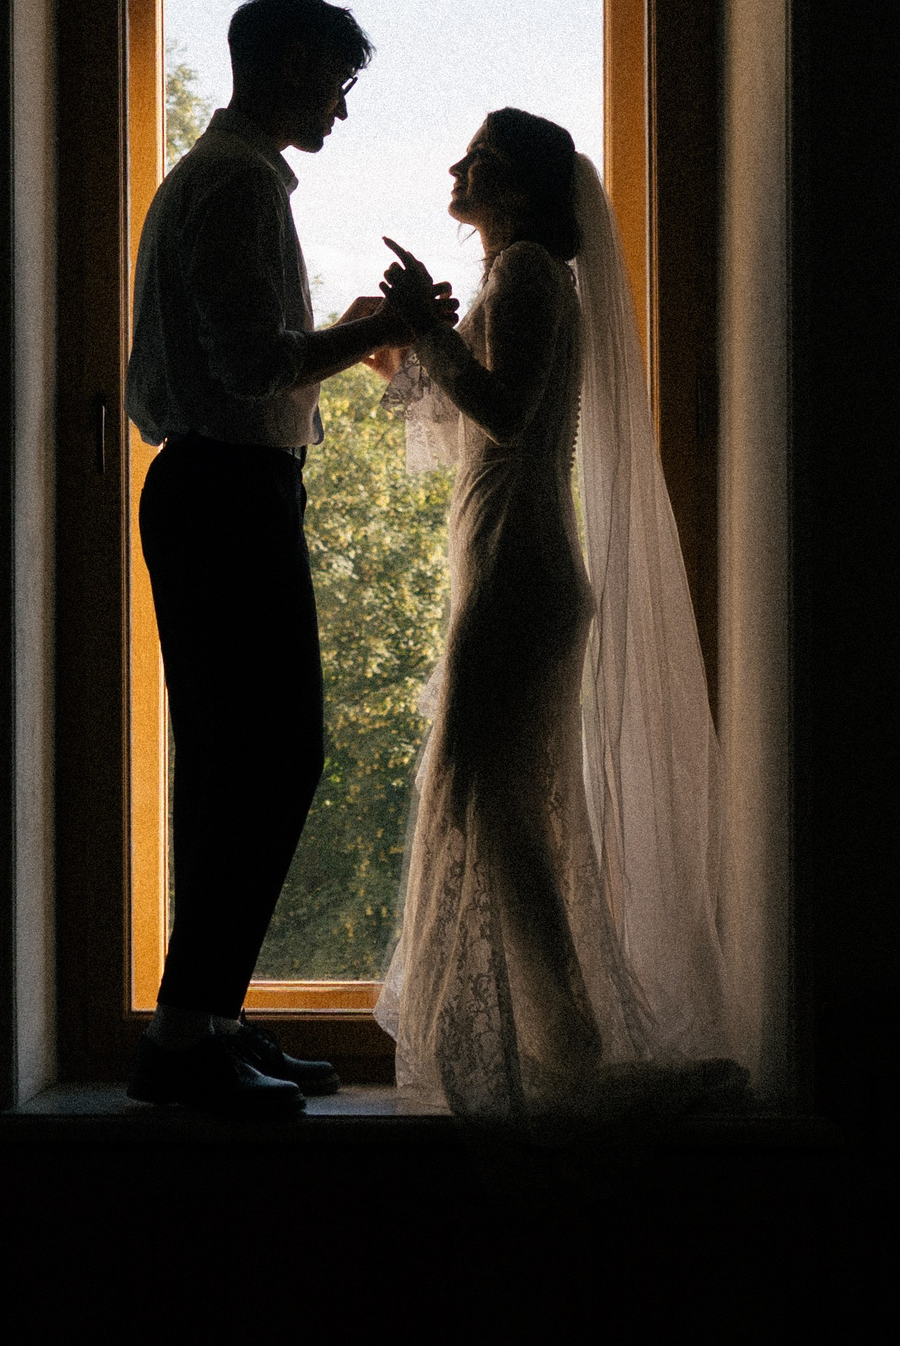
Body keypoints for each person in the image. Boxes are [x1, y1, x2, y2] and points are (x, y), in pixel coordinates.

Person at [123, 0, 457, 1116]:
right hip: (226, 491)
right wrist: (387, 330)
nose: (341, 109)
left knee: (238, 758)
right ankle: (185, 1034)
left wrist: (360, 328)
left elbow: (242, 353)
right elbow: (252, 367)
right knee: (270, 756)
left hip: (218, 488)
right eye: (336, 83)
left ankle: (208, 1021)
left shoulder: (223, 177)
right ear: (289, 65)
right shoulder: (237, 186)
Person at [374, 109, 742, 1132]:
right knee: (500, 808)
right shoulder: (516, 277)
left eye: (481, 158)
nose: (458, 165)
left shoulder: (530, 272)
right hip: (507, 560)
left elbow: (505, 412)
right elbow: (453, 413)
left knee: (490, 800)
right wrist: (408, 336)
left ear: (520, 188)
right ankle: (557, 1041)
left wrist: (428, 330)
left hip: (522, 569)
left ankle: (561, 1047)